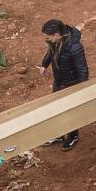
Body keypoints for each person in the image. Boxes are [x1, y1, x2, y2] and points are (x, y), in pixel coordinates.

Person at [39, 18, 89, 150]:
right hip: (59, 82)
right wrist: (44, 64)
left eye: (48, 37)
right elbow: (51, 53)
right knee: (56, 108)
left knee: (70, 112)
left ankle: (73, 136)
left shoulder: (75, 47)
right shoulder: (55, 42)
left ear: (57, 35)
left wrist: (80, 89)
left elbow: (83, 70)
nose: (47, 39)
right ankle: (59, 134)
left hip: (71, 84)